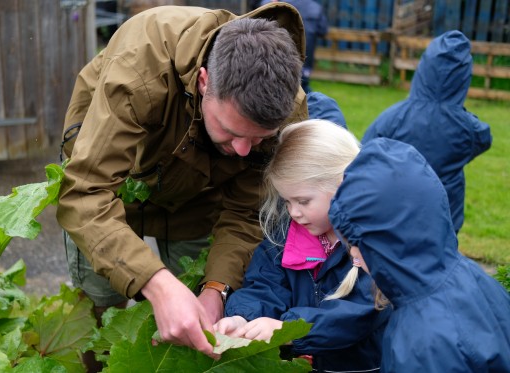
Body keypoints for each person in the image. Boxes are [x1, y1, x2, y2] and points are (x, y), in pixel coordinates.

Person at [56, 3, 308, 366]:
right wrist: (156, 284)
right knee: (100, 305)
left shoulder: (286, 106)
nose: (241, 150)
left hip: (200, 194)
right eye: (233, 131)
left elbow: (247, 211)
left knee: (192, 307)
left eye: (257, 139)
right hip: (113, 185)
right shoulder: (138, 66)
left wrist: (216, 290)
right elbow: (86, 192)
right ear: (205, 82)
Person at [215, 120, 391, 372]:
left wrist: (288, 329)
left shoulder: (374, 242)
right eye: (286, 201)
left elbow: (358, 314)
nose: (293, 212)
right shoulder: (285, 235)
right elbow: (266, 284)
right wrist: (242, 317)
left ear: (343, 184)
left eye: (303, 201)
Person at [329, 138, 510, 372]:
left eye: (357, 242)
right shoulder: (472, 276)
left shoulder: (420, 344)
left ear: (387, 243)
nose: (353, 254)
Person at [362, 30, 492, 234]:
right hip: (445, 216)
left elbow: (366, 148)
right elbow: (484, 139)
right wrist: (458, 112)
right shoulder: (468, 126)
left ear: (424, 68)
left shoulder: (396, 116)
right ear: (464, 78)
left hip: (397, 210)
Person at [257, 0, 328, 92]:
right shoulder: (315, 7)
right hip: (305, 58)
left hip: (280, 58)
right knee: (303, 90)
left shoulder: (278, 4)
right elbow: (323, 31)